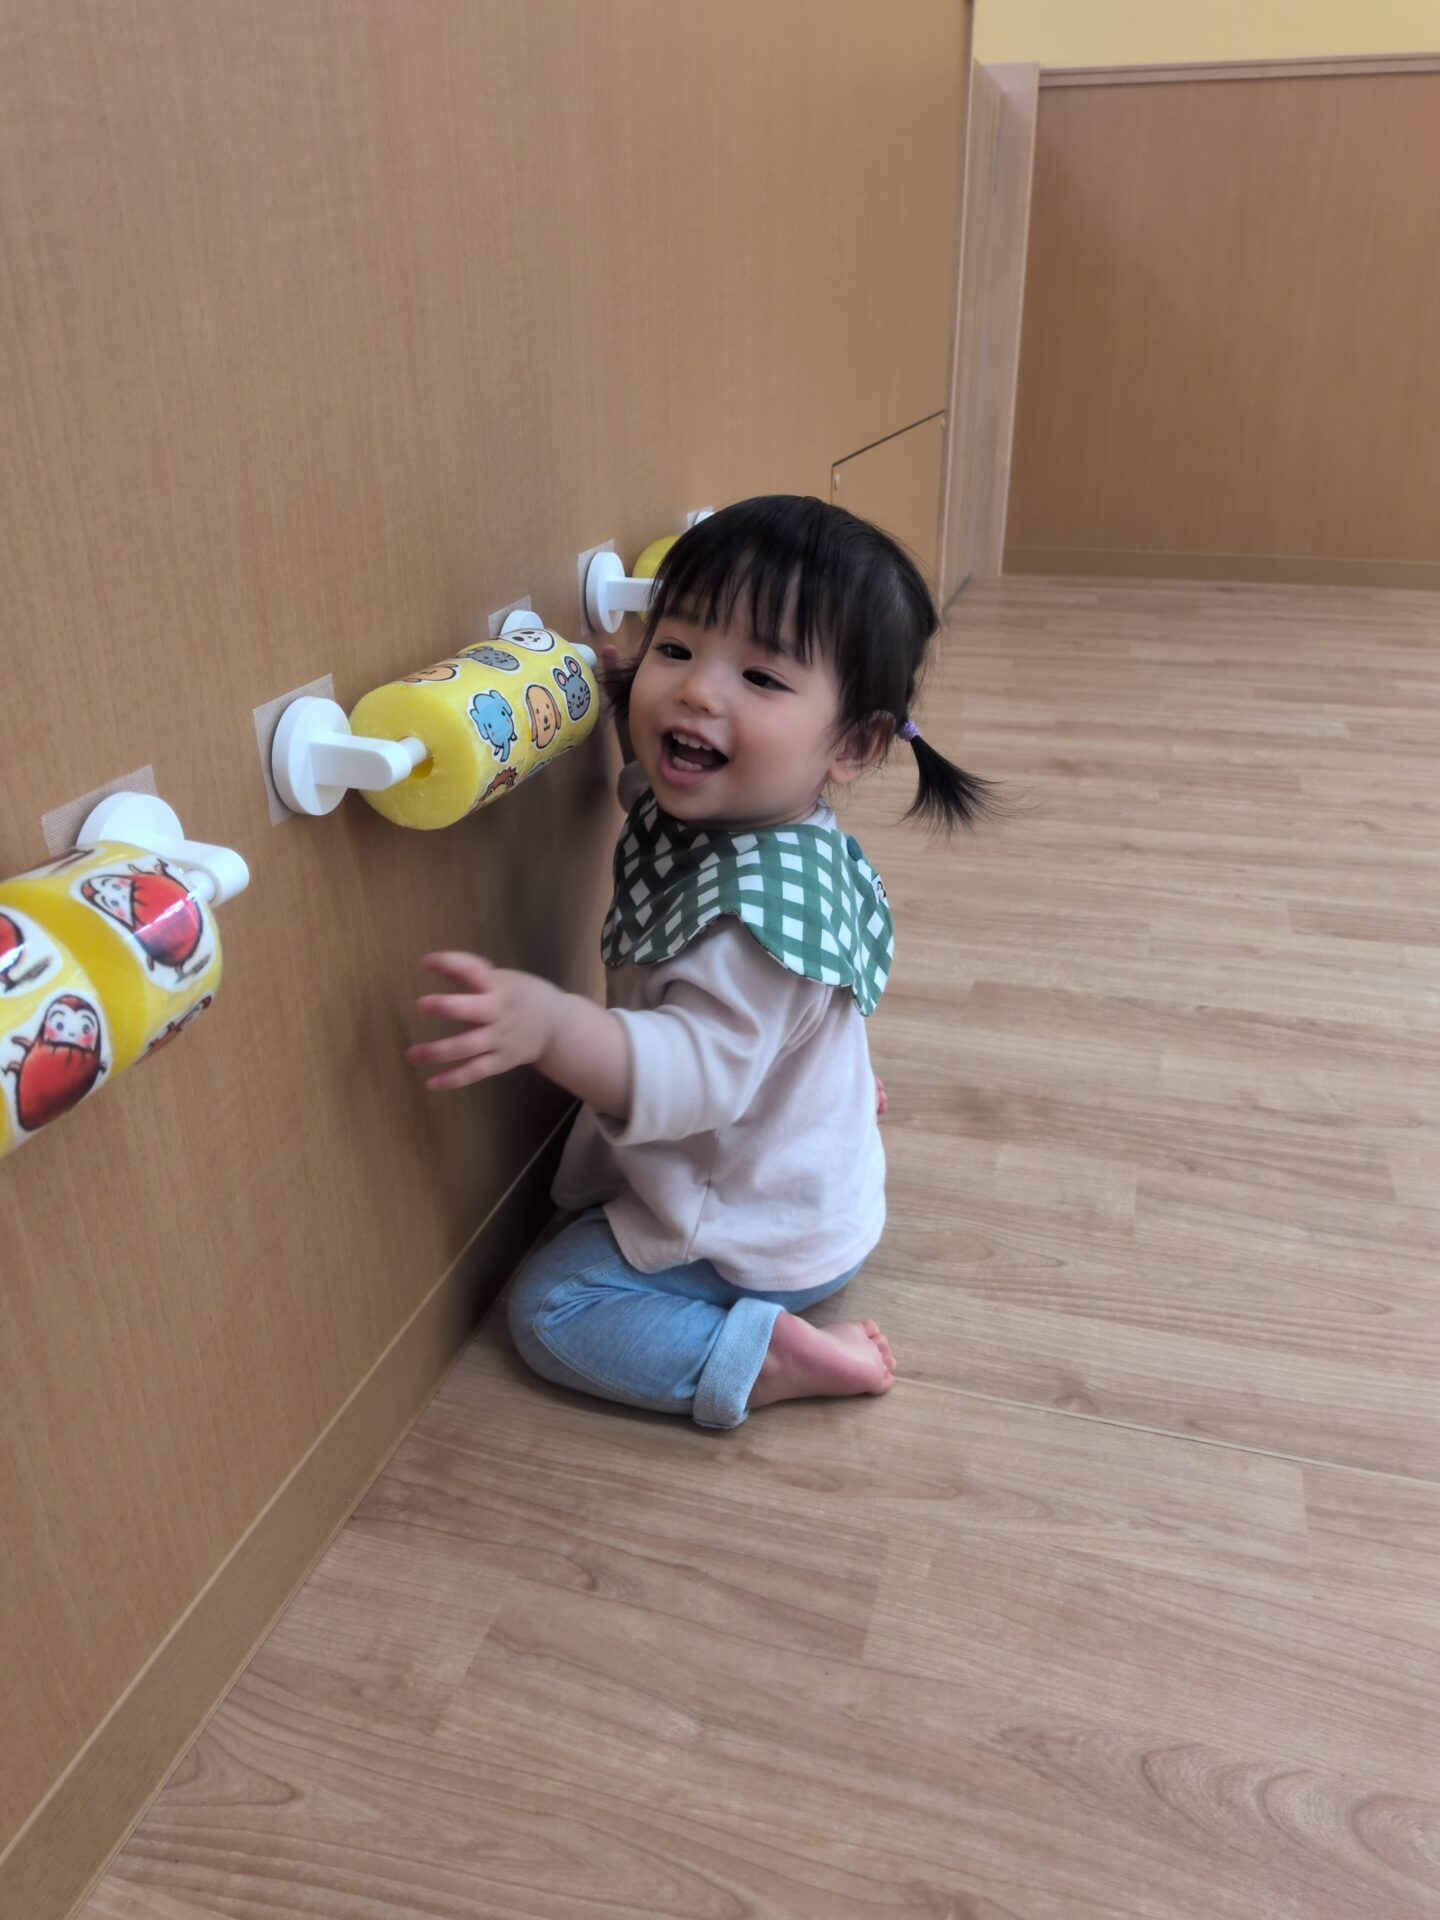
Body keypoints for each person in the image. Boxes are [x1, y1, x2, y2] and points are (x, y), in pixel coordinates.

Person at [407, 495, 994, 1428]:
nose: (696, 693)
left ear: (854, 745)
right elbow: (654, 798)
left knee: (552, 1310)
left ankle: (762, 1357)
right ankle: (821, 1099)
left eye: (759, 676)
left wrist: (554, 1026)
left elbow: (693, 1076)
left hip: (758, 1230)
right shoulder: (758, 811)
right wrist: (618, 702)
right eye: (675, 649)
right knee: (781, 1048)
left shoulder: (749, 932)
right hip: (798, 1157)